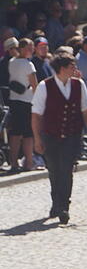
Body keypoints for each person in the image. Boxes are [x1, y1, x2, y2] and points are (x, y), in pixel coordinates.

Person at [31, 53, 87, 224]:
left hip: (72, 134)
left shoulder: (79, 85)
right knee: (54, 170)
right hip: (51, 135)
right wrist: (37, 139)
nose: (75, 69)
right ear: (61, 68)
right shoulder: (44, 86)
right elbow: (36, 115)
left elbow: (86, 111)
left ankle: (64, 206)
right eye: (71, 66)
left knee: (67, 169)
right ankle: (56, 201)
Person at [4, 38, 38, 173]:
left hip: (14, 100)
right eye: (29, 48)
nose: (31, 50)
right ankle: (28, 163)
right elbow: (34, 85)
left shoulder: (12, 62)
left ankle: (14, 163)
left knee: (15, 132)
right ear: (22, 48)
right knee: (28, 134)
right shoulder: (28, 65)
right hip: (27, 101)